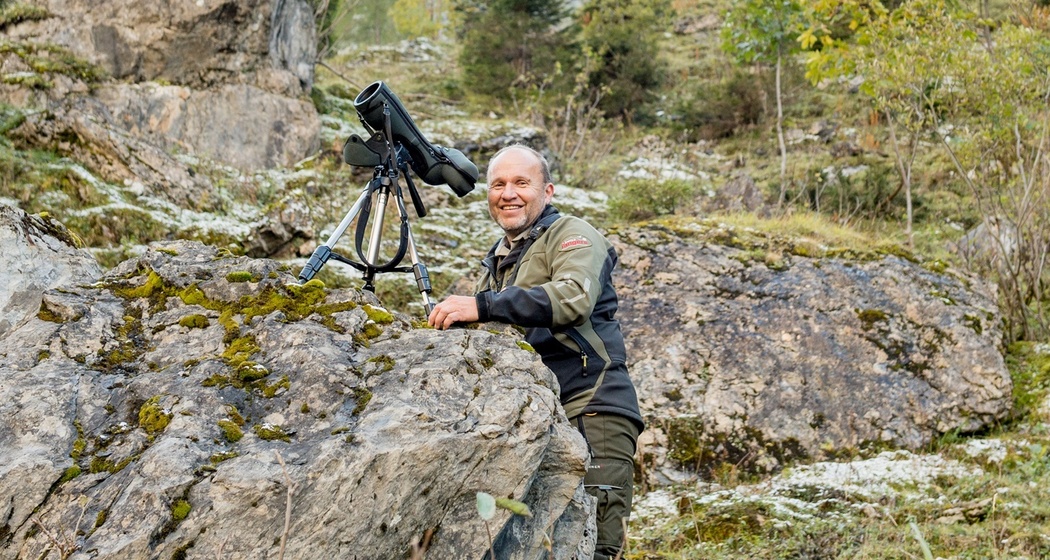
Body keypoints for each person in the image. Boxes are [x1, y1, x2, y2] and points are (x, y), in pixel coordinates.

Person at [428, 144, 644, 559]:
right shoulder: (499, 259)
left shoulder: (573, 235)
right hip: (529, 421)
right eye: (498, 184)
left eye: (521, 183)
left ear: (548, 191)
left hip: (591, 408)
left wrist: (483, 304)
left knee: (594, 549)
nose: (508, 193)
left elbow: (573, 298)